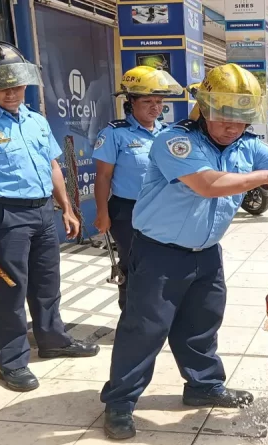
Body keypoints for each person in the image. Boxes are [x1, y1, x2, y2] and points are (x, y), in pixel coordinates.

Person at [99, 63, 268, 440]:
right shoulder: (176, 141)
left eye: (241, 119)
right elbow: (208, 184)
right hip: (160, 252)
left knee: (202, 322)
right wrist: (263, 177)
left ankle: (203, 385)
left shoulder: (246, 144)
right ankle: (119, 402)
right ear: (204, 109)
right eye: (224, 117)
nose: (232, 127)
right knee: (145, 328)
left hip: (206, 252)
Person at [0, 40, 99, 392]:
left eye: (16, 83)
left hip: (42, 212)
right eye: (1, 85)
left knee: (47, 283)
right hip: (4, 216)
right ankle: (12, 361)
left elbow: (53, 166)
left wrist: (67, 207)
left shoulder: (36, 121)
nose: (11, 92)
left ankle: (53, 340)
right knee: (8, 291)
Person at [92, 66, 184, 310]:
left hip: (164, 209)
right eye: (147, 101)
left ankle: (159, 314)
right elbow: (103, 177)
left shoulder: (169, 133)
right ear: (131, 102)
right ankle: (131, 317)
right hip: (127, 211)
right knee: (134, 263)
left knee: (164, 261)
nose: (155, 107)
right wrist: (102, 214)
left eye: (159, 102)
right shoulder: (115, 133)